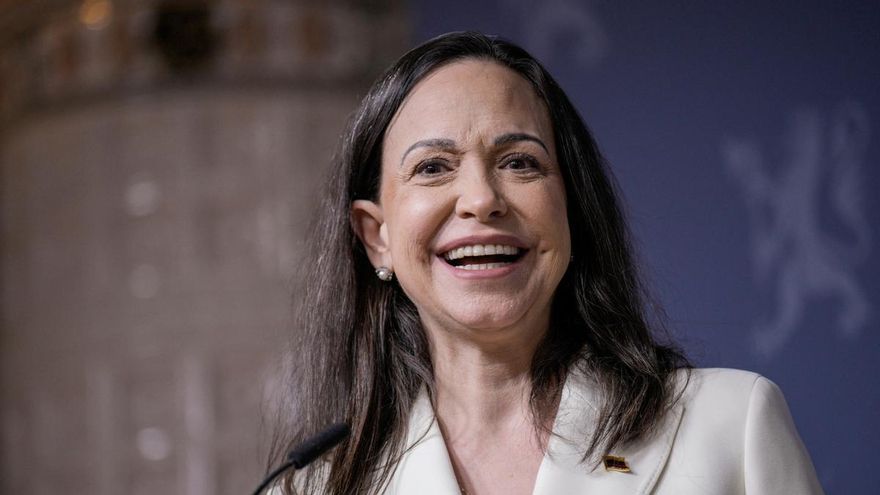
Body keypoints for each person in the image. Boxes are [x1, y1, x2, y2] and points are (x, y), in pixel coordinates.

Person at [267, 31, 823, 494]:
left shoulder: (731, 425)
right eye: (433, 167)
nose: (481, 198)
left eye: (520, 162)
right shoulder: (314, 486)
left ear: (571, 211)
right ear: (376, 237)